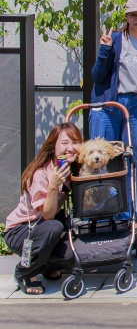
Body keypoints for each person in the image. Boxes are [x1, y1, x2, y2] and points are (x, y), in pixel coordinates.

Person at [90, 0, 137, 218]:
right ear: (126, 17)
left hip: (136, 104)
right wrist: (104, 50)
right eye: (133, 15)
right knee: (103, 156)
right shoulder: (116, 40)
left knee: (134, 156)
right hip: (109, 104)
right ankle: (102, 212)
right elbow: (97, 76)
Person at [4, 123, 81, 295]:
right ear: (53, 146)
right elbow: (47, 215)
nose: (70, 148)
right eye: (65, 143)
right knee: (54, 226)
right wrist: (53, 186)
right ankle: (24, 272)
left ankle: (45, 267)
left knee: (70, 255)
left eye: (75, 142)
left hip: (43, 228)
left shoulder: (69, 169)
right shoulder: (40, 173)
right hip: (21, 230)